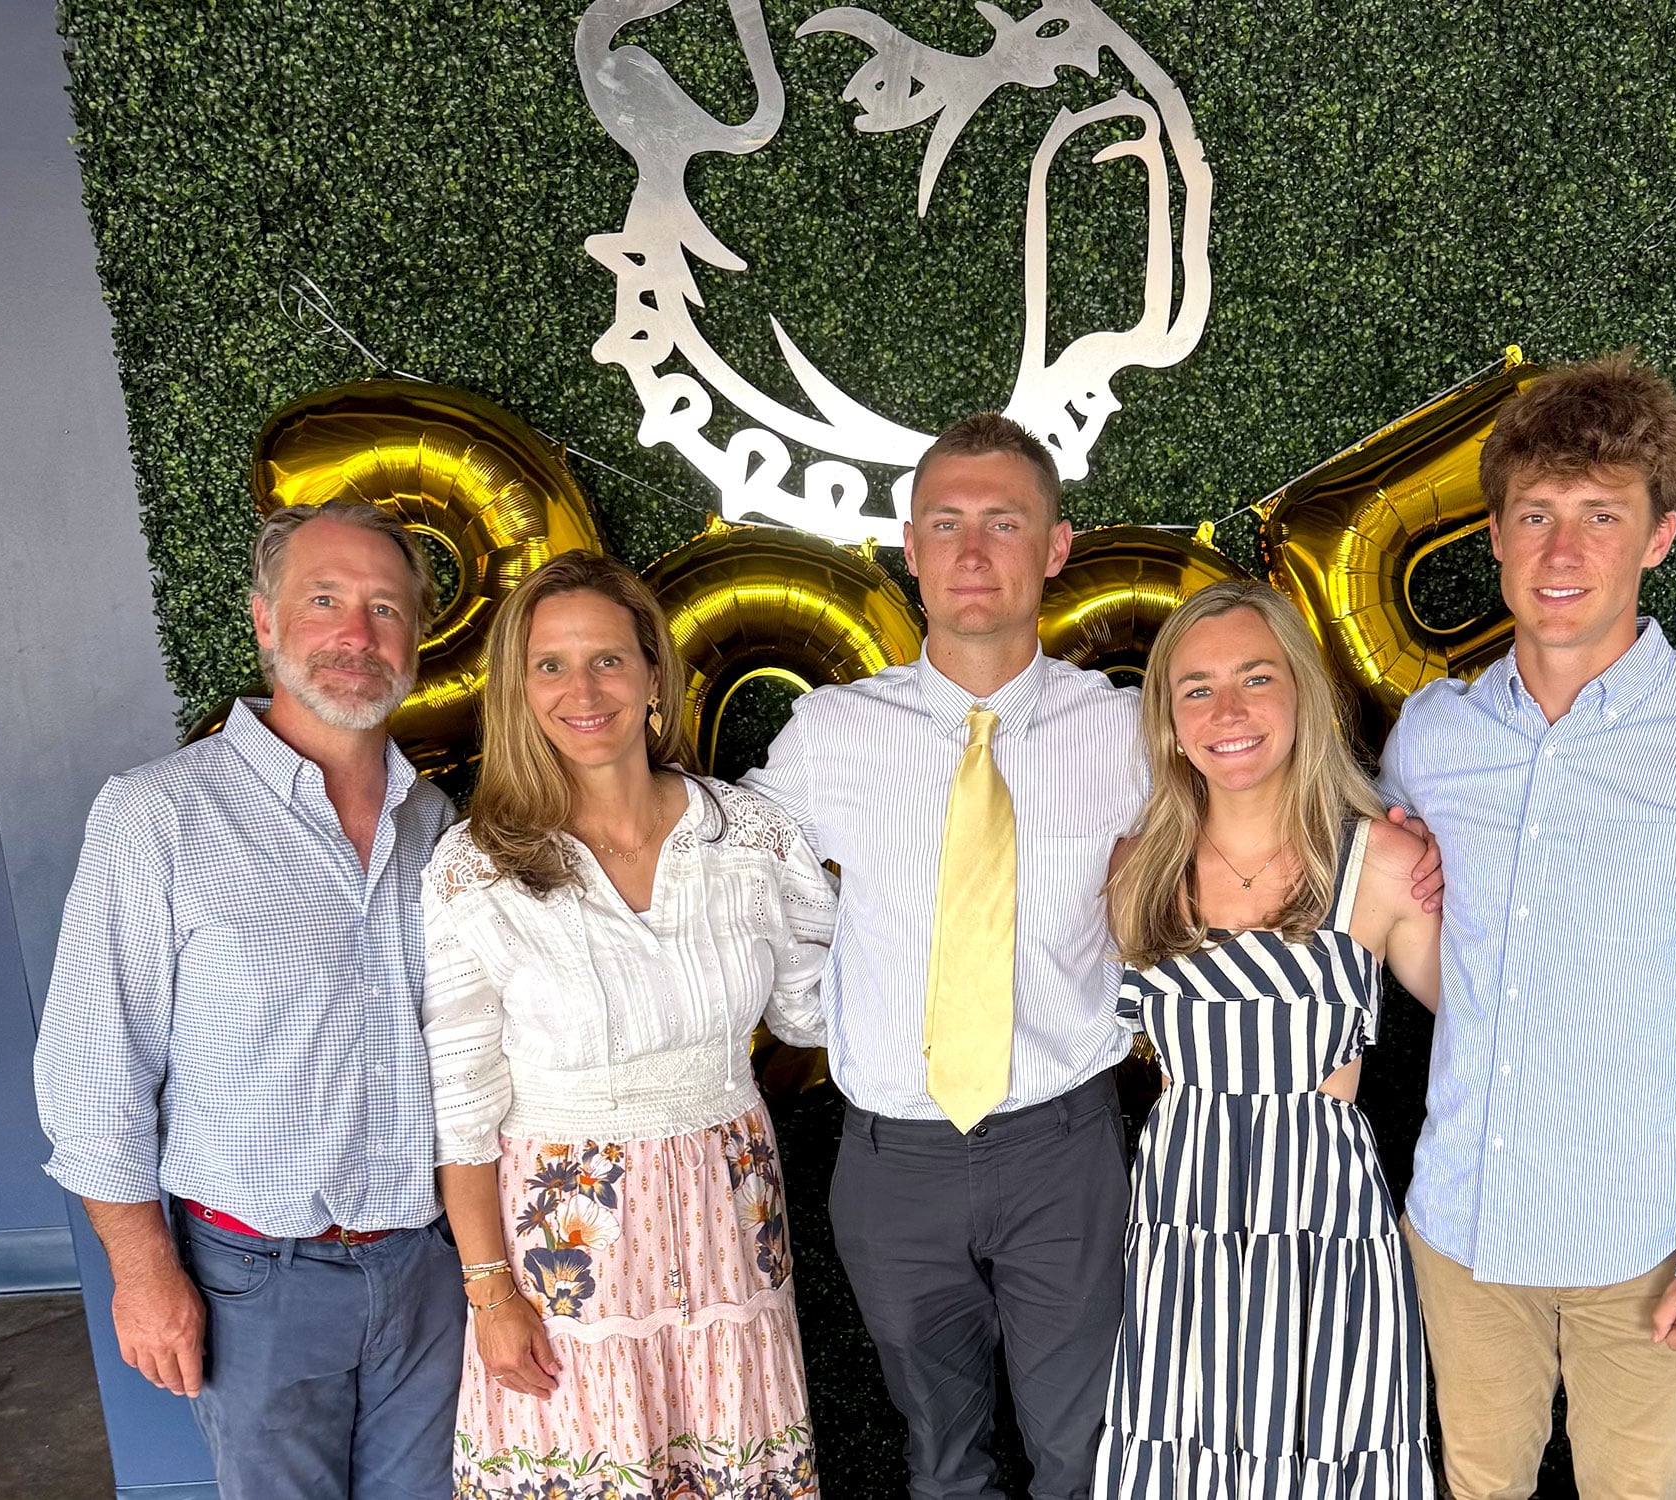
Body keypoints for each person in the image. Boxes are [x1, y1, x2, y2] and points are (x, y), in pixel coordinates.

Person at [742, 413, 1442, 1499]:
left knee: (1090, 1455)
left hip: (1064, 1152)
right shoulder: (831, 733)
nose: (973, 552)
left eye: (1003, 523)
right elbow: (725, 865)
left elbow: (1257, 834)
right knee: (938, 1458)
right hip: (891, 1161)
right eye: (945, 523)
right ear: (908, 544)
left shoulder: (1129, 733)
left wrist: (1397, 851)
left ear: (1054, 548)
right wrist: (807, 1008)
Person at [1378, 352, 1676, 1500]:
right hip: (1461, 1222)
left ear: (1657, 537)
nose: (1561, 552)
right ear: (1492, 534)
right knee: (1477, 1483)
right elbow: (1462, 961)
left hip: (1643, 1232)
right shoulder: (1432, 740)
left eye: (1598, 516)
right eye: (1534, 515)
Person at [33, 500, 465, 1498]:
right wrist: (143, 1276)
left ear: (416, 638)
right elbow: (95, 1066)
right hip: (252, 1279)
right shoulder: (160, 813)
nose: (357, 636)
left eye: (385, 609)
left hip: (424, 1267)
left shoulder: (437, 824)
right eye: (325, 602)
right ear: (266, 623)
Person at [418, 551, 834, 1500]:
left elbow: (818, 1010)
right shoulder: (474, 868)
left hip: (729, 1219)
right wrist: (490, 1289)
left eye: (607, 659)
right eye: (550, 665)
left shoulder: (749, 836)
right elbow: (462, 1105)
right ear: (518, 693)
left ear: (654, 674)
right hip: (565, 1243)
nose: (582, 690)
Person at [1096, 578, 1441, 1497]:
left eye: (1257, 677)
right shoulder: (1138, 871)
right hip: (1181, 1221)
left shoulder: (1384, 860)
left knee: (1328, 1451)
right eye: (1197, 689)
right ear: (1168, 720)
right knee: (1182, 1458)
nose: (1229, 711)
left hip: (1326, 1227)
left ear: (1304, 693)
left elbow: (1502, 1030)